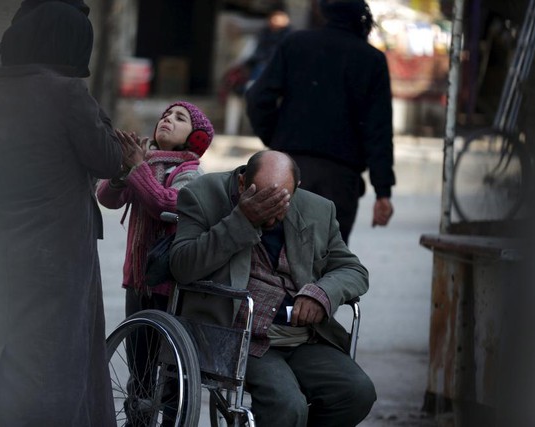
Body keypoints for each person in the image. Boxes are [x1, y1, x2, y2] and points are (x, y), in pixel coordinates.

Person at [0, 3, 122, 426]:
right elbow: (108, 159)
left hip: (1, 246)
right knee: (54, 364)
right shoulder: (66, 92)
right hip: (58, 255)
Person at [169, 150, 376, 427]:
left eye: (280, 200)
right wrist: (242, 220)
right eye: (260, 195)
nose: (269, 207)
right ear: (242, 183)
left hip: (300, 336)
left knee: (356, 392)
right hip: (238, 334)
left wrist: (322, 293)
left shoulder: (318, 209)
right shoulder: (203, 195)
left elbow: (353, 270)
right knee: (287, 406)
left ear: (296, 190)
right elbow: (182, 266)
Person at [96, 101, 213, 425]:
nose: (167, 119)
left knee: (172, 370)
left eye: (179, 118)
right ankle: (137, 419)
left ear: (196, 137)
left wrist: (137, 169)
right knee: (140, 368)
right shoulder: (145, 162)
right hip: (137, 280)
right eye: (165, 115)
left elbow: (165, 204)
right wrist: (124, 168)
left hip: (170, 285)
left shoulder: (189, 173)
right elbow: (107, 197)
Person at [246, 0, 395, 243]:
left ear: (322, 11)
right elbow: (378, 130)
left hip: (287, 171)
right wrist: (383, 192)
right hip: (340, 180)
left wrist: (277, 140)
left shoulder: (295, 43)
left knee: (275, 260)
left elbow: (257, 99)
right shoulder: (372, 59)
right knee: (326, 264)